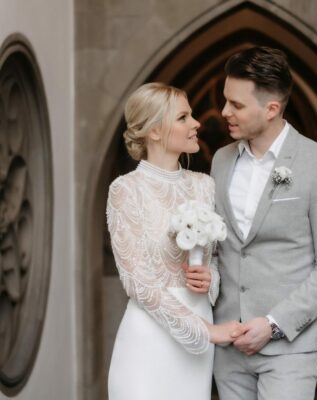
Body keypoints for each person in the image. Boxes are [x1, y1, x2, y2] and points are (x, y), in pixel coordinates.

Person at [210, 46, 317, 400]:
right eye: (225, 100)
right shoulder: (221, 161)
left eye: (236, 105)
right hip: (228, 345)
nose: (225, 112)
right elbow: (220, 248)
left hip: (290, 347)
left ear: (271, 109)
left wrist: (273, 325)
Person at [106, 82, 243, 400]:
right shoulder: (126, 190)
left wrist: (210, 279)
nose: (196, 124)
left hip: (196, 349)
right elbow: (137, 283)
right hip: (148, 340)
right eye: (183, 117)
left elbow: (217, 259)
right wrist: (206, 331)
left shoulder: (205, 186)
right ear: (154, 131)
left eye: (192, 115)